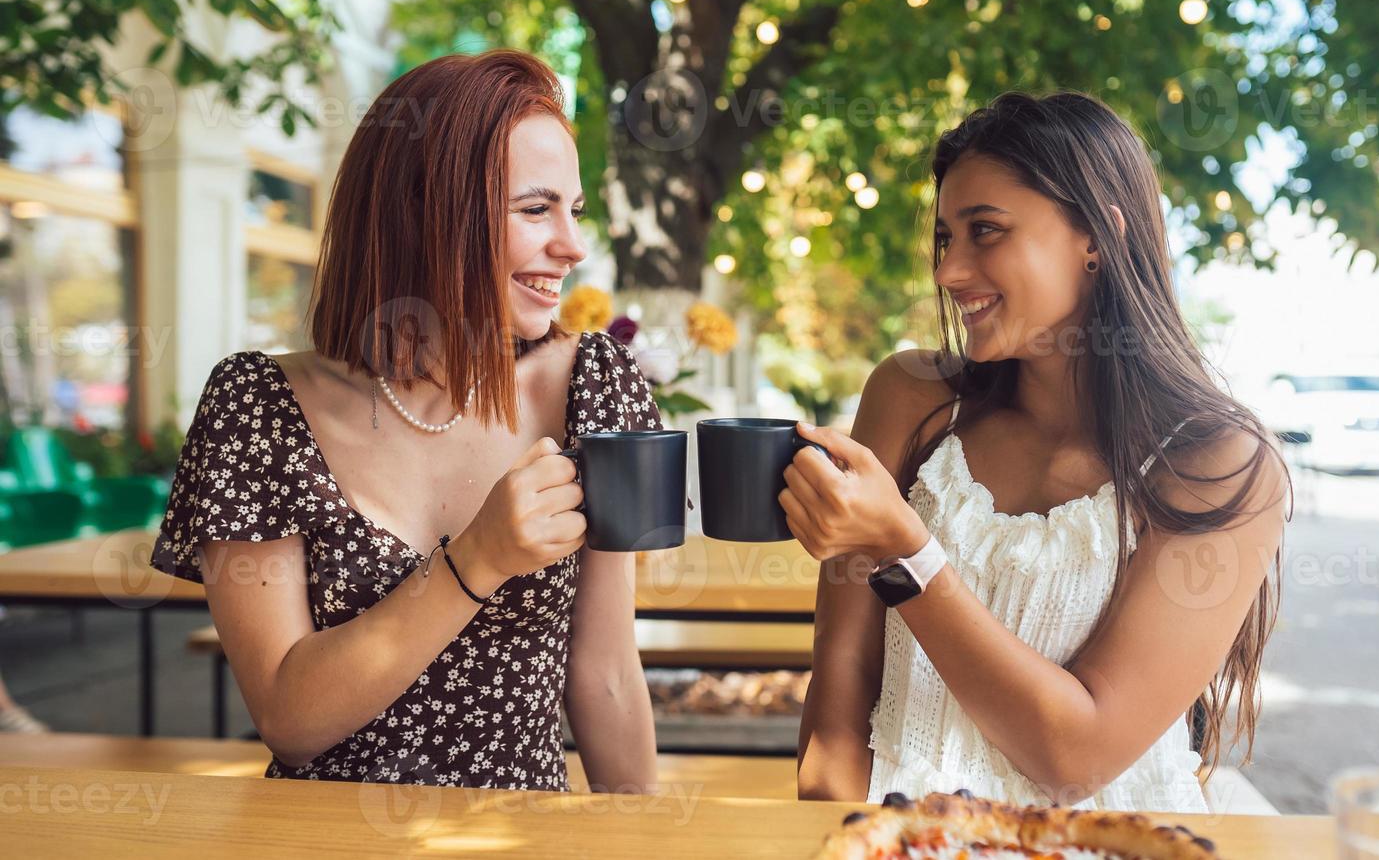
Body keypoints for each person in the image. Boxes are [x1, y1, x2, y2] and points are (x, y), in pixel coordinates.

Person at [150, 49, 659, 791]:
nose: (572, 247)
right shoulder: (255, 406)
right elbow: (290, 721)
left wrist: (642, 840)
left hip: (523, 840)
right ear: (423, 211)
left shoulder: (595, 385)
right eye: (534, 208)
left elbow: (607, 672)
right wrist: (475, 561)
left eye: (572, 211)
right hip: (318, 842)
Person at [785, 91, 1289, 811]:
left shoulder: (1217, 467)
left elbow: (1072, 759)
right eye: (943, 238)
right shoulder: (910, 402)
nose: (947, 272)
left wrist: (908, 552)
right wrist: (839, 840)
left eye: (984, 231)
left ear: (1097, 238)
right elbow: (837, 703)